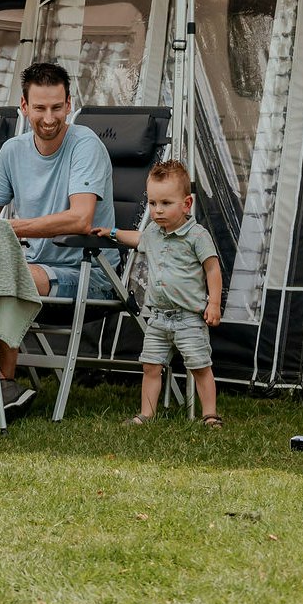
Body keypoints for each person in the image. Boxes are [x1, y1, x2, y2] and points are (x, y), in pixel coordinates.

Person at [0, 60, 116, 425]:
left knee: (10, 277)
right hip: (31, 268)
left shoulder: (85, 146)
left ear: (69, 105)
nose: (48, 118)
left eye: (56, 108)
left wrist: (12, 228)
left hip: (89, 271)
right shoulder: (12, 151)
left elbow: (80, 218)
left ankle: (2, 387)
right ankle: (0, 389)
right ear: (24, 106)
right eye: (39, 108)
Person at [106, 160, 223, 427]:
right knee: (151, 366)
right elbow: (136, 239)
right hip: (157, 318)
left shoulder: (197, 236)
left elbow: (213, 269)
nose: (157, 210)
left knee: (200, 366)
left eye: (166, 203)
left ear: (186, 203)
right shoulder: (153, 232)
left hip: (189, 318)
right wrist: (112, 233)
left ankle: (210, 415)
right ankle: (146, 414)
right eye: (152, 203)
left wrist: (213, 303)